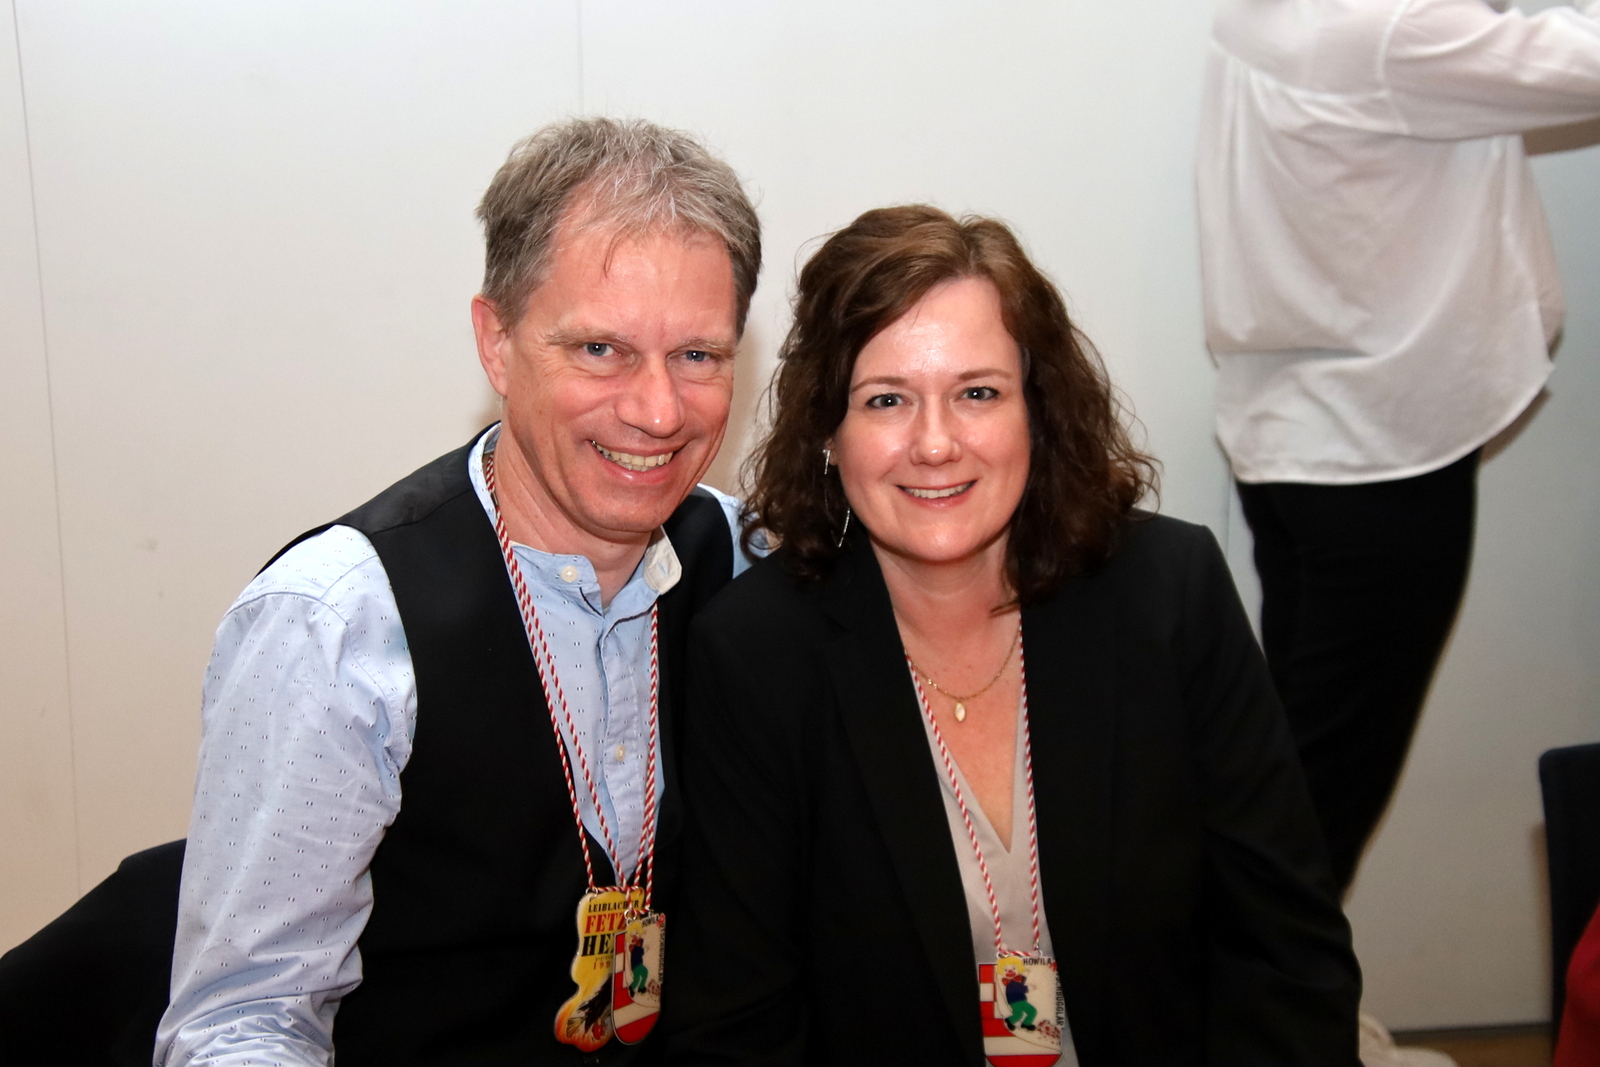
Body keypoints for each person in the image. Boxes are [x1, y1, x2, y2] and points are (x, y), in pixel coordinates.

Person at [664, 205, 1361, 1066]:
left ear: (1038, 409)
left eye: (978, 393)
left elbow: (1289, 956)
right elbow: (735, 1023)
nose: (935, 443)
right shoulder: (754, 654)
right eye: (886, 400)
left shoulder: (1170, 595)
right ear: (828, 434)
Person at [154, 118, 761, 1065]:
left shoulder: (746, 561)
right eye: (600, 349)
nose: (657, 410)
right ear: (498, 342)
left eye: (698, 355)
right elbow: (243, 1021)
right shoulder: (337, 624)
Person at [1197, 4, 1600, 1061]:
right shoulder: (1392, 27)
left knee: (1286, 784)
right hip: (1381, 455)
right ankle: (1265, 1029)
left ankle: (1279, 1013)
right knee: (1312, 811)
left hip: (1297, 437)